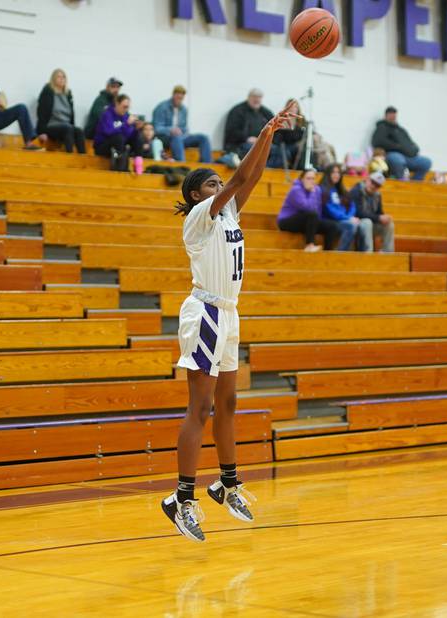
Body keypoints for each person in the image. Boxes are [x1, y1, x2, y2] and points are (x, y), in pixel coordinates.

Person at [161, 103, 296, 542]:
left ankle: (227, 482)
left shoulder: (230, 213)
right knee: (199, 406)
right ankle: (181, 498)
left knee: (230, 404)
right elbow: (240, 178)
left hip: (229, 313)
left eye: (219, 182)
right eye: (211, 184)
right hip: (204, 313)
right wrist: (264, 130)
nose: (221, 186)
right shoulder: (201, 218)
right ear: (197, 194)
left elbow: (250, 178)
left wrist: (271, 135)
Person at [277, 169, 339, 252]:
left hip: (307, 221)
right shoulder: (296, 189)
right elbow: (306, 207)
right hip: (287, 221)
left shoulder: (317, 189)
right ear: (302, 179)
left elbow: (318, 209)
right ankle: (309, 245)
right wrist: (312, 193)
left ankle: (328, 252)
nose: (311, 181)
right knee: (312, 214)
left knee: (332, 226)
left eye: (313, 179)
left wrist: (316, 222)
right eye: (308, 178)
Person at [152, 85, 212, 163]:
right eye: (178, 98)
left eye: (181, 98)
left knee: (204, 138)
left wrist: (181, 131)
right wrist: (171, 130)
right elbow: (157, 128)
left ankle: (206, 165)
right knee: (176, 137)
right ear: (173, 95)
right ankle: (181, 164)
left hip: (180, 137)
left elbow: (184, 128)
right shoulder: (162, 107)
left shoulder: (184, 109)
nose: (179, 100)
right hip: (165, 137)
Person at [371, 106, 432, 181]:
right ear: (386, 115)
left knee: (426, 162)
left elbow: (410, 142)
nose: (393, 117)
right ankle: (401, 181)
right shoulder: (382, 127)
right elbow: (378, 141)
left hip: (408, 156)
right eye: (391, 115)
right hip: (392, 154)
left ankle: (416, 183)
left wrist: (415, 149)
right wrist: (398, 147)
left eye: (394, 115)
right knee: (397, 160)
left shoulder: (401, 130)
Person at [36, 68, 85, 154]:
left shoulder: (68, 94)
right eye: (59, 77)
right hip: (51, 125)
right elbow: (41, 112)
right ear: (53, 79)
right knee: (68, 128)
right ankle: (69, 157)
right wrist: (41, 132)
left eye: (63, 77)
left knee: (79, 131)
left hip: (66, 126)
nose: (62, 79)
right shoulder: (48, 91)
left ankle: (83, 159)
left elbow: (72, 115)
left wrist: (74, 128)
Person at [222, 88, 274, 162]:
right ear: (249, 97)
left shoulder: (265, 112)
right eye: (254, 97)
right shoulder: (237, 111)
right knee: (254, 148)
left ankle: (267, 169)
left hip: (260, 143)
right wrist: (247, 138)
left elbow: (274, 125)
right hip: (239, 144)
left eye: (259, 97)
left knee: (277, 151)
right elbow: (231, 131)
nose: (257, 100)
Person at [348, 171, 395, 252]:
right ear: (367, 179)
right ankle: (368, 252)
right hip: (356, 223)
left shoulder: (377, 195)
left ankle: (388, 253)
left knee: (389, 224)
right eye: (372, 182)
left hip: (370, 223)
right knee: (367, 222)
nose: (373, 186)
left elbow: (379, 212)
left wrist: (384, 218)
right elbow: (358, 212)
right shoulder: (356, 191)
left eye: (377, 185)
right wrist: (379, 218)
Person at [93, 94, 142, 170]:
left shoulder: (125, 116)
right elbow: (109, 132)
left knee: (137, 137)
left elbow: (127, 135)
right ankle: (119, 167)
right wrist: (126, 124)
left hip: (118, 145)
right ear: (117, 104)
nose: (126, 110)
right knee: (118, 138)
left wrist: (136, 129)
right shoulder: (107, 114)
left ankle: (138, 165)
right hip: (102, 146)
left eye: (128, 107)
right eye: (124, 107)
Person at [320, 164, 359, 251]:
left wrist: (349, 216)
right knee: (350, 226)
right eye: (333, 172)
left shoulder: (342, 189)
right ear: (328, 174)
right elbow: (328, 209)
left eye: (338, 172)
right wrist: (348, 218)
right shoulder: (322, 189)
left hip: (343, 219)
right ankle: (340, 253)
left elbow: (352, 206)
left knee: (363, 225)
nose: (336, 175)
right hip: (330, 221)